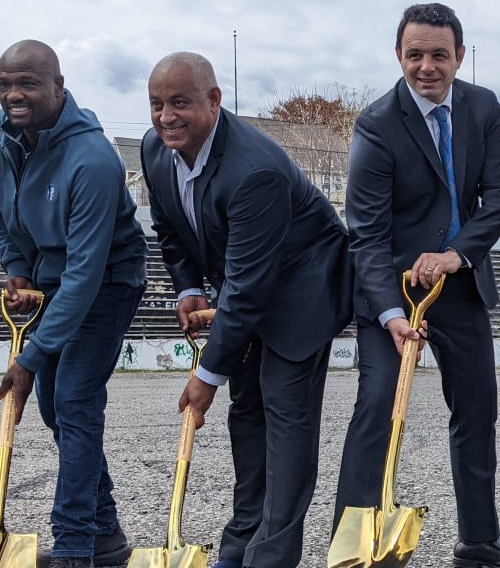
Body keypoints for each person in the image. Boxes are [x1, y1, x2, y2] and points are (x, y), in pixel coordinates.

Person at [333, 3, 500, 568]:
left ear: (459, 57)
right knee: (376, 405)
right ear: (399, 56)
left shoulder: (482, 106)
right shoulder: (375, 124)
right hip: (393, 291)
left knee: (477, 408)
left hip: (458, 286)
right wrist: (391, 313)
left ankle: (478, 540)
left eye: (439, 55)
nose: (426, 67)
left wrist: (455, 256)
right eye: (414, 55)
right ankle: (355, 542)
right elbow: (365, 234)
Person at [140, 52, 351, 568]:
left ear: (214, 100)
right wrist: (188, 286)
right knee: (247, 415)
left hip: (302, 293)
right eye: (157, 104)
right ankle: (238, 548)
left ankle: (270, 559)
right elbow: (170, 229)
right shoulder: (154, 150)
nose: (167, 117)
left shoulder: (253, 170)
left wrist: (207, 376)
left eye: (181, 103)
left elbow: (247, 289)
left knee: (284, 420)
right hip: (248, 282)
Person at [0, 40, 148, 568]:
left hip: (107, 281)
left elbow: (85, 274)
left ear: (59, 85)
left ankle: (76, 545)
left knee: (74, 399)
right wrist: (16, 268)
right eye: (6, 83)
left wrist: (30, 359)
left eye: (28, 83)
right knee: (57, 410)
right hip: (51, 278)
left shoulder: (93, 160)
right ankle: (106, 533)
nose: (15, 94)